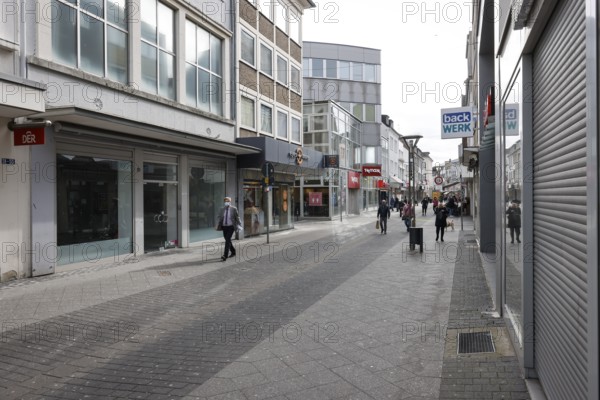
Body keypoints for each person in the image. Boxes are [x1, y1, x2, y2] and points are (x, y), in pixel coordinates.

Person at [217, 196, 241, 261]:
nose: (226, 202)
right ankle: (233, 251)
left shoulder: (234, 209)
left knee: (227, 239)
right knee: (227, 239)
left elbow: (237, 217)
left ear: (230, 202)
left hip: (231, 226)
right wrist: (218, 222)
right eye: (225, 201)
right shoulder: (222, 209)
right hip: (224, 226)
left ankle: (225, 255)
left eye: (227, 201)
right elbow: (219, 216)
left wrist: (239, 224)